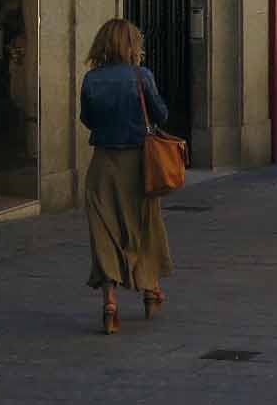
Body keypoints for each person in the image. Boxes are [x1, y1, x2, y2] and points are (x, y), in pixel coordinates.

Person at [80, 18, 172, 335]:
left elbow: (87, 119)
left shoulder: (91, 79)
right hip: (138, 164)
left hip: (103, 164)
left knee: (104, 232)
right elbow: (161, 114)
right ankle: (150, 289)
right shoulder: (141, 76)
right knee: (144, 226)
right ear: (132, 45)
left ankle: (110, 303)